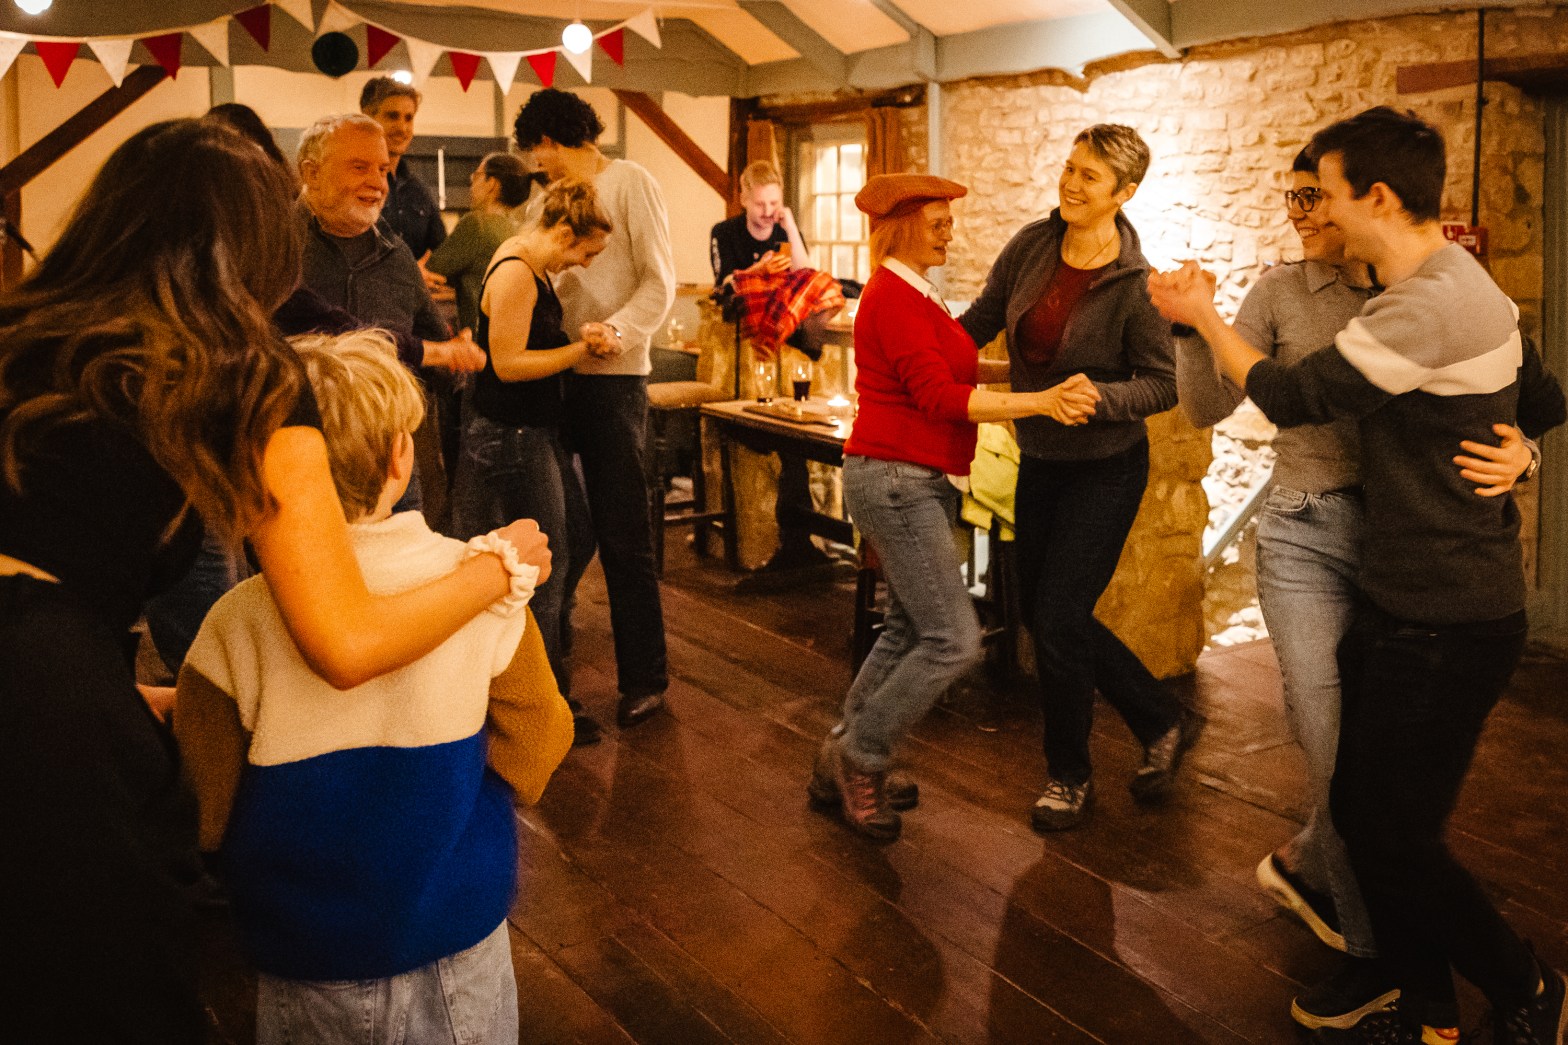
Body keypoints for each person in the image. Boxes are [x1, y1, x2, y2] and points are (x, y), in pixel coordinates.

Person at [0, 118, 546, 1044]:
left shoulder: (24, 335)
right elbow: (346, 643)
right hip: (47, 694)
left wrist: (117, 690)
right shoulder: (248, 378)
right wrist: (497, 565)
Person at [1149, 105, 1567, 1045]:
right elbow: (1212, 405)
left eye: (1323, 192)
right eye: (1300, 195)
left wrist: (1524, 458)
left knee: (1387, 823)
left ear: (1371, 198)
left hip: (1439, 593)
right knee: (1357, 797)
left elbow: (1303, 397)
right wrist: (1198, 328)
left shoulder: (1425, 296)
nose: (1311, 210)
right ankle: (1421, 1002)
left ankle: (1510, 982)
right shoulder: (1406, 284)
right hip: (1381, 575)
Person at [176, 331, 573, 1045]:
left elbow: (204, 807)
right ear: (401, 455)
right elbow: (540, 745)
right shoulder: (481, 587)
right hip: (457, 931)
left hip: (306, 952)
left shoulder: (234, 622)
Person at [807, 172, 1101, 841]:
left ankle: (842, 756)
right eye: (937, 221)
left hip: (915, 475)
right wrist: (1041, 402)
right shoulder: (893, 297)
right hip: (895, 477)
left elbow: (955, 372)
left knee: (910, 629)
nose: (950, 230)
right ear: (904, 226)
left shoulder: (917, 294)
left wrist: (1034, 377)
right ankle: (864, 756)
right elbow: (941, 399)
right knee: (953, 638)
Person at [960, 124, 1196, 834]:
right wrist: (915, 343)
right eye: (1069, 168)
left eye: (1089, 177)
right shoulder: (1032, 245)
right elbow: (979, 318)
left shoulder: (1135, 283)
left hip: (1106, 468)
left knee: (1058, 614)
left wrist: (1102, 396)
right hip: (1042, 460)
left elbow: (1163, 385)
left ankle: (1068, 775)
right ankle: (1161, 716)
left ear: (1124, 193)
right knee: (1044, 614)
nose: (1070, 183)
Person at [514, 88, 676, 732]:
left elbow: (660, 281)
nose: (536, 164)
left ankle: (645, 678)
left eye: (538, 151)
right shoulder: (540, 202)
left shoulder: (632, 181)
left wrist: (617, 331)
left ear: (554, 140)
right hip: (553, 379)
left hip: (613, 382)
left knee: (623, 534)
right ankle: (551, 669)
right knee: (556, 529)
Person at [452, 181, 615, 745]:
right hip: (510, 434)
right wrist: (580, 351)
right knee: (546, 564)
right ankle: (541, 707)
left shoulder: (535, 267)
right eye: (587, 252)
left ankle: (540, 687)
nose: (588, 265)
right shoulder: (518, 270)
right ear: (565, 233)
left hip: (526, 431)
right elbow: (510, 363)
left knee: (574, 539)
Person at [710, 160, 837, 571]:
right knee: (756, 445)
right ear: (744, 198)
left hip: (785, 326)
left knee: (820, 286)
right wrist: (757, 271)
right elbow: (724, 283)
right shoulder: (724, 233)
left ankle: (807, 537)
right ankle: (759, 542)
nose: (767, 211)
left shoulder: (784, 227)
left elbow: (804, 271)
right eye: (760, 203)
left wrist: (792, 224)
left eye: (775, 203)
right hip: (749, 337)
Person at [427, 151, 531, 332]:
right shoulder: (520, 231)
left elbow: (432, 272)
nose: (471, 184)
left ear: (492, 183)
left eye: (476, 176)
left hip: (481, 334)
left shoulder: (477, 224)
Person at [360, 75, 447, 265]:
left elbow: (442, 249)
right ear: (367, 118)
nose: (402, 127)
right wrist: (411, 275)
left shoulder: (419, 191)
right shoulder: (352, 183)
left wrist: (424, 271)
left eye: (409, 118)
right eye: (392, 116)